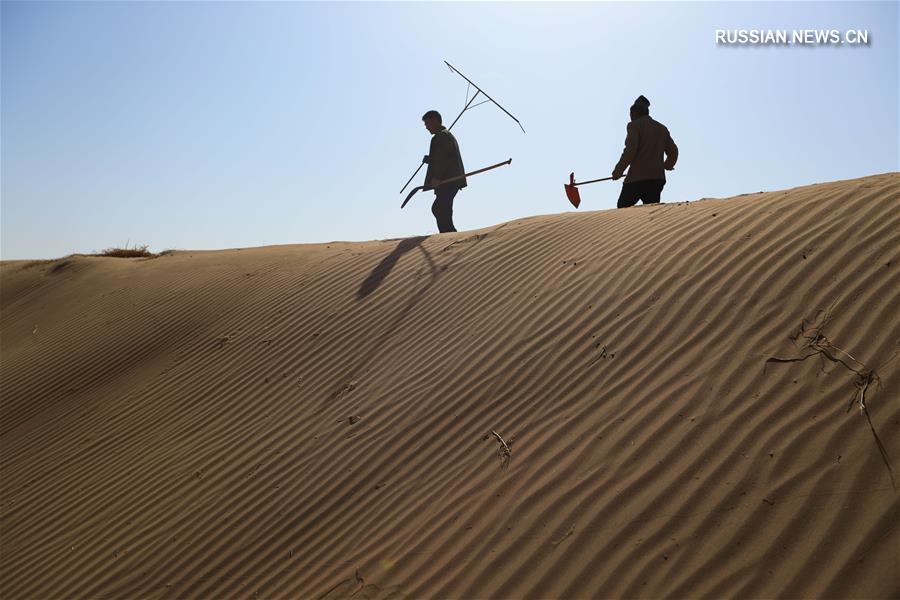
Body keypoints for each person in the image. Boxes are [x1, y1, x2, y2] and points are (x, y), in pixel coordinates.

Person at [612, 95, 678, 208]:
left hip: (636, 179)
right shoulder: (662, 128)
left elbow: (630, 150)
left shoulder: (634, 126)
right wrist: (667, 165)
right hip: (657, 179)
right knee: (651, 211)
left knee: (622, 209)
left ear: (634, 113)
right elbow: (673, 151)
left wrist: (618, 171)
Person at [421, 110, 466, 232]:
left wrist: (437, 178)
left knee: (439, 208)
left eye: (427, 124)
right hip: (448, 181)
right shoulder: (444, 136)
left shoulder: (441, 136)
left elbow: (443, 159)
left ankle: (449, 236)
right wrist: (430, 159)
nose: (426, 128)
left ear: (435, 120)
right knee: (441, 209)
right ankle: (448, 235)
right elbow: (443, 156)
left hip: (448, 180)